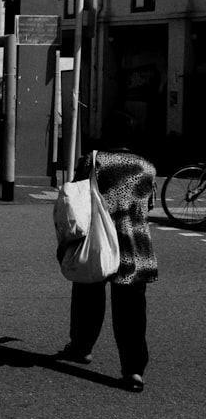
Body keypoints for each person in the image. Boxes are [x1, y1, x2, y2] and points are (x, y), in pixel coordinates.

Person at [55, 110, 157, 393]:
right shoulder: (147, 167)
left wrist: (64, 241)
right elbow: (147, 207)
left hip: (97, 240)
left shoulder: (94, 160)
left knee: (88, 293)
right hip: (135, 245)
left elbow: (75, 200)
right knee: (132, 311)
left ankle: (81, 348)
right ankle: (134, 370)